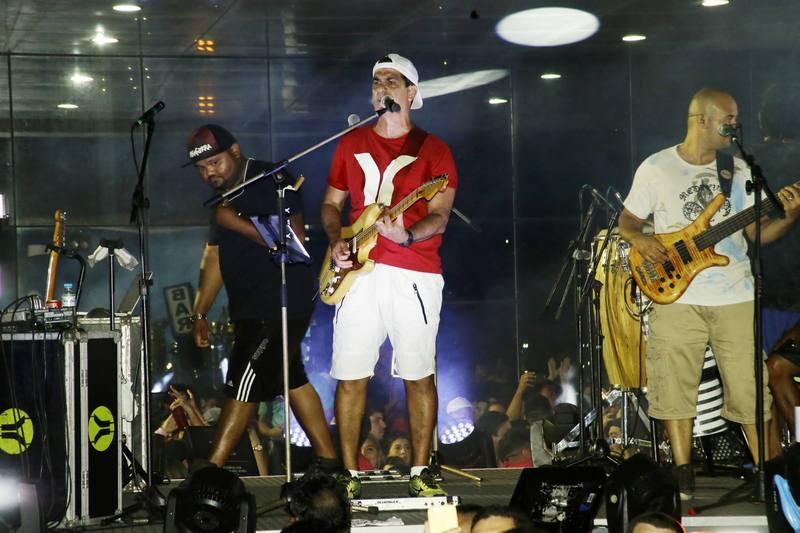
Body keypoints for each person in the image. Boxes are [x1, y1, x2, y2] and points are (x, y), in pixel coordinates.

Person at [618, 88, 800, 499]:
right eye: (727, 119)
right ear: (701, 120)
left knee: (750, 387)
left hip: (734, 293)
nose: (734, 126)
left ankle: (768, 476)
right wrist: (641, 240)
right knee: (673, 386)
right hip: (675, 294)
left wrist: (789, 216)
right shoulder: (657, 167)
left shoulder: (738, 169)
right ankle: (683, 473)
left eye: (735, 119)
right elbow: (627, 220)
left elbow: (758, 234)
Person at [320, 53, 458, 498]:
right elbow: (331, 203)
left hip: (413, 272)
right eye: (377, 81)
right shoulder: (350, 142)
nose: (382, 88)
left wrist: (407, 235)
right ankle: (348, 474)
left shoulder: (433, 150)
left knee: (418, 373)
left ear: (412, 93)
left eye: (392, 81)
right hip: (358, 272)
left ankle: (421, 469)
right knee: (350, 373)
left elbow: (440, 214)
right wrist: (335, 240)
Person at [186, 124, 340, 475]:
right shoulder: (222, 200)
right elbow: (214, 256)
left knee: (244, 379)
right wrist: (199, 313)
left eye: (215, 163)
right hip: (248, 307)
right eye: (201, 168)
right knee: (292, 378)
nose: (209, 173)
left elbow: (294, 239)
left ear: (235, 151)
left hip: (280, 301)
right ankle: (328, 461)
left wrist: (235, 221)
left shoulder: (273, 180)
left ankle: (211, 470)